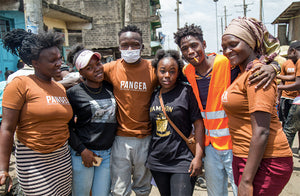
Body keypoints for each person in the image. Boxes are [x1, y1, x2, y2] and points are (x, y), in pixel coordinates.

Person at [174, 24, 279, 196]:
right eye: (185, 49)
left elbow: (261, 59)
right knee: (215, 193)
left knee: (242, 190)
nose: (190, 51)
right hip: (209, 146)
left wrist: (274, 67)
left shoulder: (226, 63)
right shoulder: (187, 71)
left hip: (235, 143)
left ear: (204, 44)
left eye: (194, 45)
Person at [221, 17, 293, 195]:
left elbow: (262, 131)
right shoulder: (241, 72)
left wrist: (246, 180)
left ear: (250, 42)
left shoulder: (257, 75)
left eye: (233, 44)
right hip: (246, 157)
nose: (227, 51)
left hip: (267, 160)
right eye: (223, 47)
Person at [0, 29, 73, 195]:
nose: (59, 63)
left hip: (62, 157)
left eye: (59, 58)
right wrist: (2, 168)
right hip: (34, 160)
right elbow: (7, 128)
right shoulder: (20, 84)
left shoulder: (60, 87)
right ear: (35, 63)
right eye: (52, 60)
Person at [103, 25, 158, 196]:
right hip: (120, 138)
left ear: (142, 47)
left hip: (146, 137)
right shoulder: (110, 68)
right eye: (124, 45)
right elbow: (86, 74)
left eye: (134, 44)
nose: (129, 49)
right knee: (119, 188)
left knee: (143, 187)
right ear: (119, 47)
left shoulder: (153, 69)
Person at [146, 49, 204, 196]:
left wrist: (198, 157)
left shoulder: (186, 92)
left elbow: (198, 125)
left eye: (172, 71)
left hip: (182, 159)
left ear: (178, 73)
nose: (167, 75)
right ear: (156, 72)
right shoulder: (153, 95)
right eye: (163, 71)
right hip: (158, 160)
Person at [67, 44, 117, 196]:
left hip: (106, 154)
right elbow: (67, 126)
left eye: (98, 64)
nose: (97, 69)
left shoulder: (111, 87)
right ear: (80, 72)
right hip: (83, 153)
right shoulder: (74, 93)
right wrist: (82, 150)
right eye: (89, 68)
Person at [278, 41, 300, 149]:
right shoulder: (292, 64)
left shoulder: (299, 61)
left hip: (297, 101)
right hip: (289, 98)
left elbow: (298, 84)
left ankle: (284, 157)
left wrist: (278, 87)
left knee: (289, 130)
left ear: (293, 51)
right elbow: (293, 78)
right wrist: (277, 76)